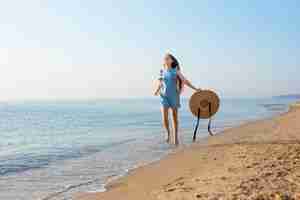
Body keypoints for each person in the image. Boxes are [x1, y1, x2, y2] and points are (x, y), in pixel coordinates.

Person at [154, 53, 200, 145]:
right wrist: (156, 90)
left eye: (168, 58)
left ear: (172, 60)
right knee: (165, 118)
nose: (166, 60)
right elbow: (160, 83)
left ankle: (175, 138)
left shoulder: (176, 71)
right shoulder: (162, 71)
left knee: (174, 118)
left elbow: (185, 81)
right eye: (165, 59)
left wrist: (195, 89)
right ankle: (168, 133)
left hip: (174, 96)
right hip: (164, 96)